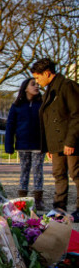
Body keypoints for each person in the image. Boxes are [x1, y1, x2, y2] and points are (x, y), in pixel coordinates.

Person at [32, 58, 79, 218]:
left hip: (70, 141)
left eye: (38, 78)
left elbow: (76, 114)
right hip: (56, 144)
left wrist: (71, 141)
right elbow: (47, 121)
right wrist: (48, 147)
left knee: (76, 173)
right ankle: (59, 208)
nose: (37, 82)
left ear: (47, 73)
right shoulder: (49, 91)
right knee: (58, 175)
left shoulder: (67, 86)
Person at [4, 77, 45, 210]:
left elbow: (47, 125)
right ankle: (22, 198)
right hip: (22, 144)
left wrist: (47, 144)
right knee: (24, 171)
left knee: (38, 171)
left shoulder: (42, 104)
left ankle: (38, 200)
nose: (37, 86)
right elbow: (10, 125)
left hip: (38, 144)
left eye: (38, 84)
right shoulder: (16, 106)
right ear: (25, 88)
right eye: (33, 84)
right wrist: (9, 145)